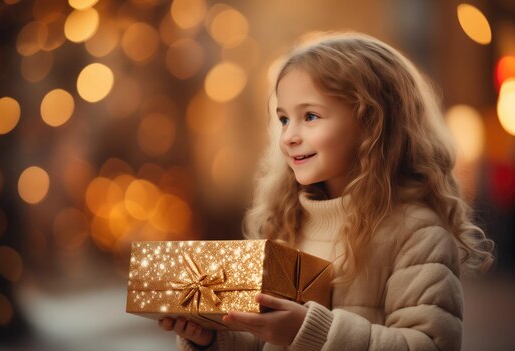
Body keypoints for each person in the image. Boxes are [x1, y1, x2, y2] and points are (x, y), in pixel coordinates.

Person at [158, 32, 494, 350]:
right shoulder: (288, 222)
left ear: (372, 123)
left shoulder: (417, 232)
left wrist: (310, 330)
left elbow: (430, 344)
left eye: (311, 116)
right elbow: (270, 340)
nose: (289, 136)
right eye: (284, 119)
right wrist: (211, 338)